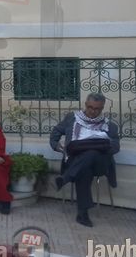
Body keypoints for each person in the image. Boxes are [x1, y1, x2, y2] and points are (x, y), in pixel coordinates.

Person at [49, 92, 120, 228]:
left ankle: (65, 178)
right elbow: (56, 132)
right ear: (86, 104)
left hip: (99, 164)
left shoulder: (110, 126)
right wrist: (57, 146)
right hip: (75, 161)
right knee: (84, 171)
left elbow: (116, 147)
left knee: (92, 153)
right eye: (90, 107)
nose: (93, 111)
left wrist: (102, 146)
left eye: (97, 109)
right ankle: (82, 214)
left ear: (102, 108)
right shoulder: (72, 118)